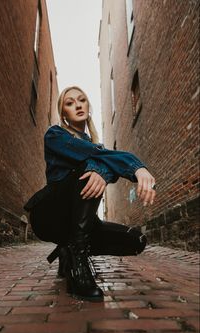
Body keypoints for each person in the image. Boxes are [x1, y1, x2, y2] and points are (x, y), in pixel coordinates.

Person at [24, 85, 156, 302]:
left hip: (81, 223)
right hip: (50, 215)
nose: (77, 105)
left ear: (88, 105)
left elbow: (99, 155)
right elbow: (93, 155)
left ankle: (69, 249)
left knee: (136, 240)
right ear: (63, 113)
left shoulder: (97, 146)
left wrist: (103, 170)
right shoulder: (55, 135)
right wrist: (137, 168)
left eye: (81, 100)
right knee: (91, 169)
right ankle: (78, 259)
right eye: (69, 103)